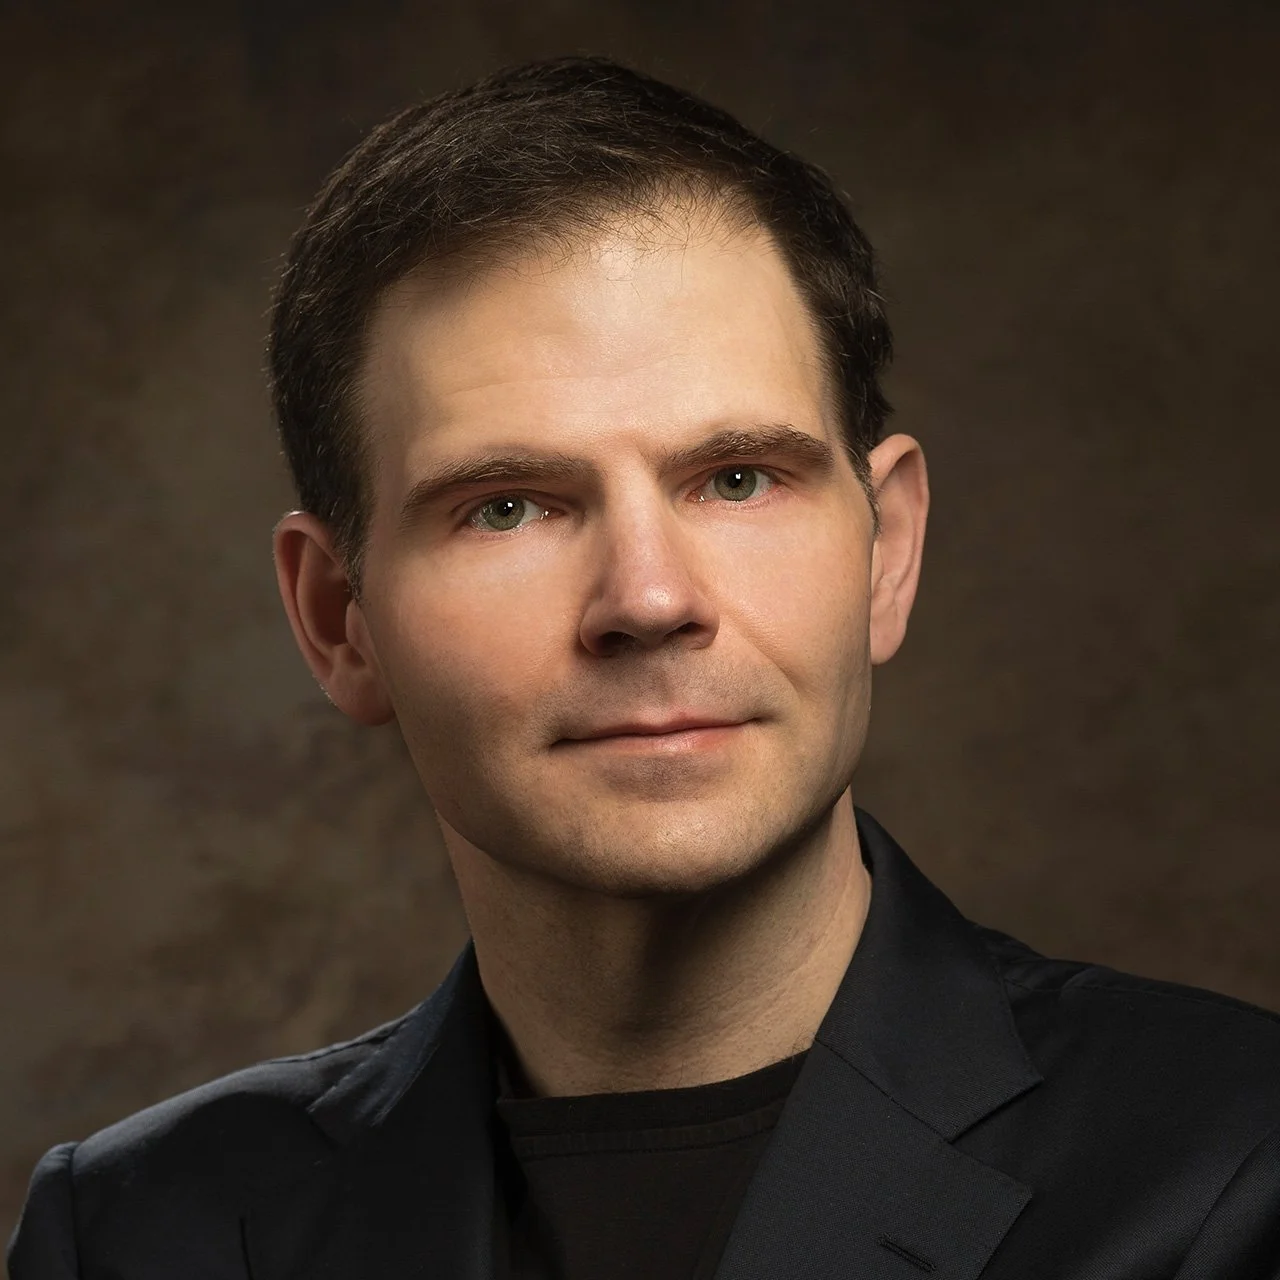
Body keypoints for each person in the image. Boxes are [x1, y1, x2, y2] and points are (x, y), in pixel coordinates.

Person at [9, 54, 1280, 1280]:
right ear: (341, 616)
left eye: (736, 479)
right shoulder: (137, 1232)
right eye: (508, 506)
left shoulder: (1236, 1167)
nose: (649, 598)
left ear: (884, 549)